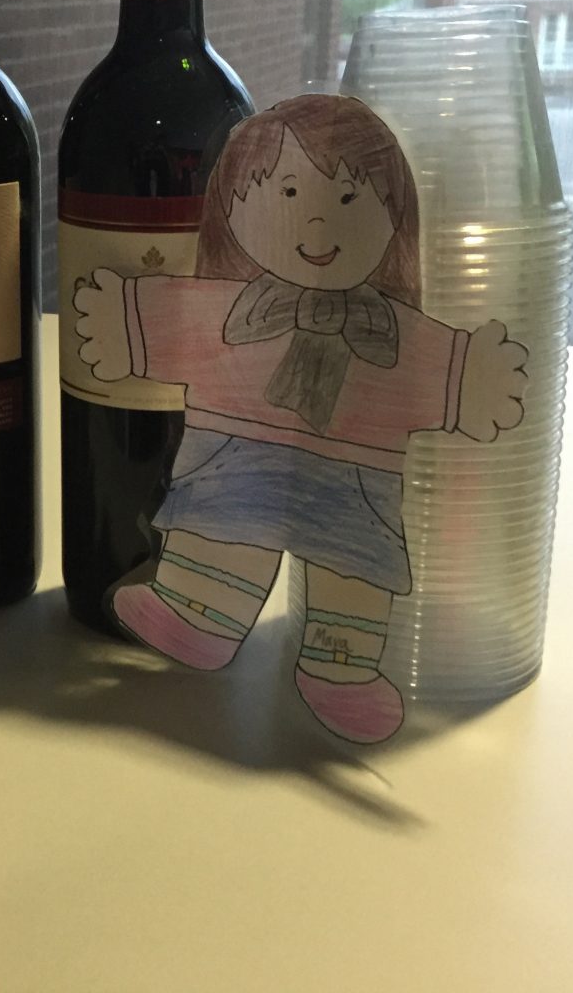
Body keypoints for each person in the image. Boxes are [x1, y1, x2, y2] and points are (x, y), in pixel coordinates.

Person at [72, 95, 528, 743]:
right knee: (220, 532)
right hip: (235, 461)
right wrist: (124, 323)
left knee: (354, 570)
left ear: (394, 216)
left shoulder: (396, 334)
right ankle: (199, 617)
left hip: (356, 480)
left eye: (348, 198)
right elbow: (169, 320)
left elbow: (446, 368)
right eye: (287, 191)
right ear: (232, 206)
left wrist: (473, 378)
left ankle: (342, 669)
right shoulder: (227, 308)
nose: (317, 220)